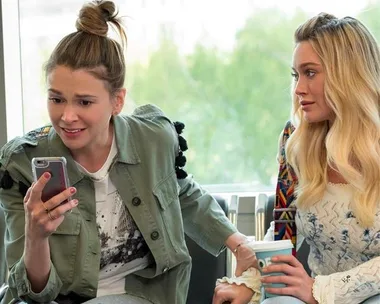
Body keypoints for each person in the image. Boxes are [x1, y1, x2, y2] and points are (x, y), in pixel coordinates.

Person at [0, 1, 257, 303]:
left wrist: (240, 244)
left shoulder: (153, 140)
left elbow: (180, 192)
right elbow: (34, 293)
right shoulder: (21, 165)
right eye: (57, 99)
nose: (67, 116)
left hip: (140, 294)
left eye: (84, 102)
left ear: (117, 101)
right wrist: (37, 236)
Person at [213, 12, 380, 304]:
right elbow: (283, 228)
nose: (299, 88)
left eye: (310, 72)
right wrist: (250, 283)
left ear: (348, 75)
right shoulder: (295, 139)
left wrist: (320, 291)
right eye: (296, 75)